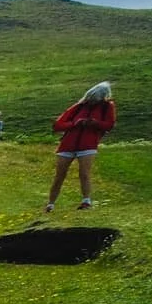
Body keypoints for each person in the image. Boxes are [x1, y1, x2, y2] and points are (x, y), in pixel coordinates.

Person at [46, 82, 116, 210]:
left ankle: (86, 201)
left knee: (84, 173)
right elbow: (58, 125)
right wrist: (74, 124)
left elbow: (109, 125)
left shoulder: (107, 107)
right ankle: (50, 203)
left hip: (88, 145)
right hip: (67, 145)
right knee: (59, 175)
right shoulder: (78, 107)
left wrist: (94, 123)